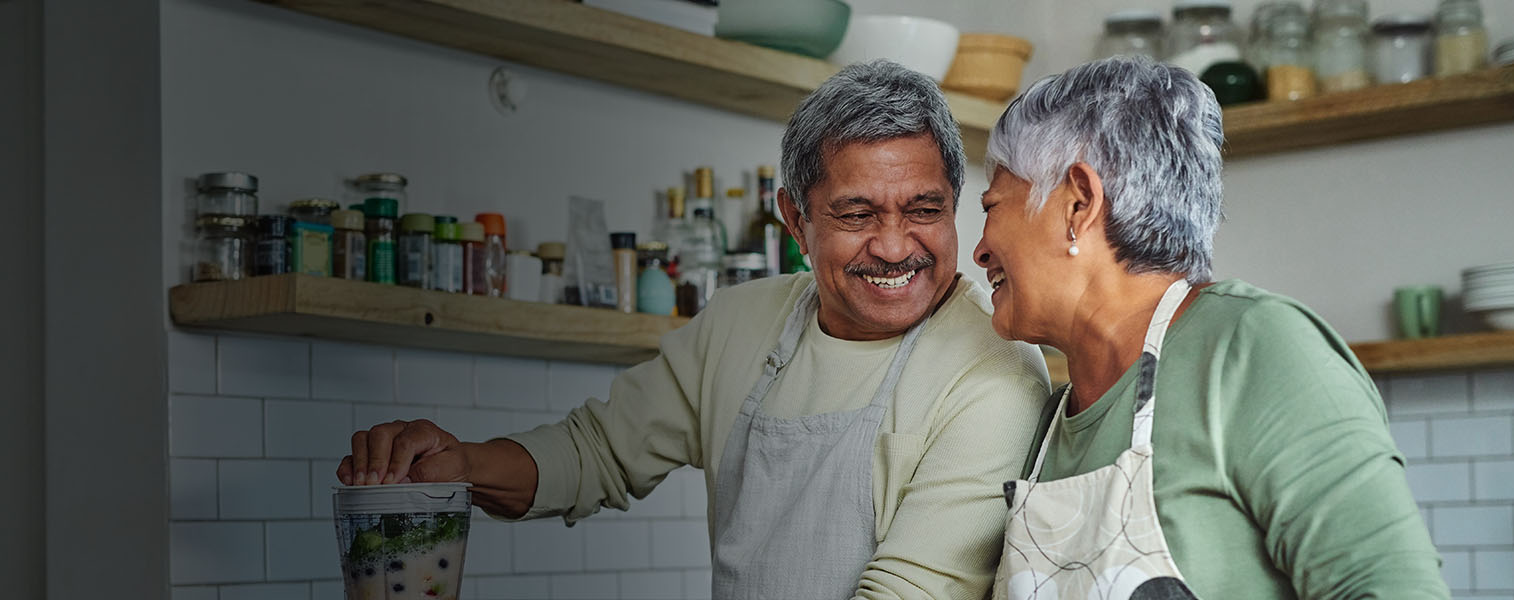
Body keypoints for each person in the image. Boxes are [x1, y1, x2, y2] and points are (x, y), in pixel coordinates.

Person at [341, 60, 1052, 600]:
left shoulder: (995, 371)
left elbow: (911, 592)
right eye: (857, 215)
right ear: (795, 221)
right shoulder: (742, 323)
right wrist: (460, 465)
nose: (895, 247)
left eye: (924, 210)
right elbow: (598, 453)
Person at [973, 56, 1448, 599]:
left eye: (992, 207)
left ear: (1079, 202)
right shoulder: (1049, 421)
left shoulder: (1254, 347)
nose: (981, 248)